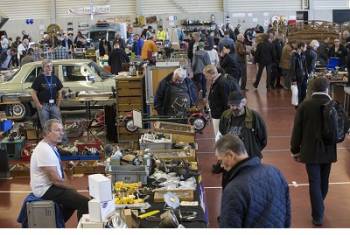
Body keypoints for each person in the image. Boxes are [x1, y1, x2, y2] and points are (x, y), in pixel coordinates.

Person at [290, 78, 349, 226]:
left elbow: (297, 130)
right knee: (324, 181)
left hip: (310, 151)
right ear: (327, 89)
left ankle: (318, 214)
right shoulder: (333, 104)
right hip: (329, 150)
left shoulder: (304, 106)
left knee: (314, 182)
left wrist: (295, 150)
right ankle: (319, 205)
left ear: (312, 89)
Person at [216, 134, 290, 228]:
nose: (221, 166)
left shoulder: (233, 189)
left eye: (220, 161)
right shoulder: (275, 172)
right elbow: (287, 216)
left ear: (230, 155)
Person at [30, 119, 89, 223]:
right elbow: (56, 181)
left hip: (49, 186)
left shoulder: (52, 147)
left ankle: (57, 223)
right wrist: (73, 187)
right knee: (86, 204)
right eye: (57, 130)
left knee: (73, 199)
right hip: (45, 189)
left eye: (62, 130)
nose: (61, 133)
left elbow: (57, 171)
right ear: (47, 132)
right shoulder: (44, 150)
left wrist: (67, 170)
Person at [203, 65, 239, 137]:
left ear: (211, 74)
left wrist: (226, 118)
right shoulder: (217, 81)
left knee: (220, 136)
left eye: (206, 75)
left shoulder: (221, 84)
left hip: (220, 116)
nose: (205, 78)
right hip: (217, 114)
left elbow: (227, 102)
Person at [31, 59, 64, 129]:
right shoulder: (39, 79)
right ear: (43, 68)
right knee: (45, 126)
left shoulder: (55, 78)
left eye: (51, 66)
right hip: (43, 106)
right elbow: (33, 93)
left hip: (54, 105)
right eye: (47, 66)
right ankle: (47, 139)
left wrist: (58, 105)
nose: (49, 68)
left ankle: (58, 139)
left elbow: (60, 91)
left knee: (58, 124)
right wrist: (38, 105)